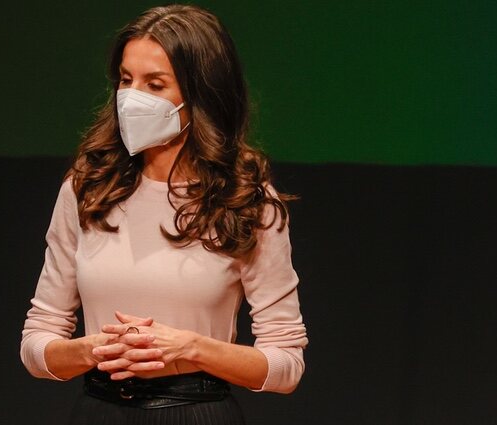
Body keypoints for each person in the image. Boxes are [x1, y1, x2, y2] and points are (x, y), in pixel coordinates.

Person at [20, 4, 308, 424]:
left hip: (196, 412)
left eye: (155, 85)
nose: (132, 98)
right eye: (125, 80)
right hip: (99, 411)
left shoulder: (245, 200)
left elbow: (286, 365)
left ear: (200, 94)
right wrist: (89, 350)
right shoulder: (88, 188)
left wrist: (191, 348)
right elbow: (37, 339)